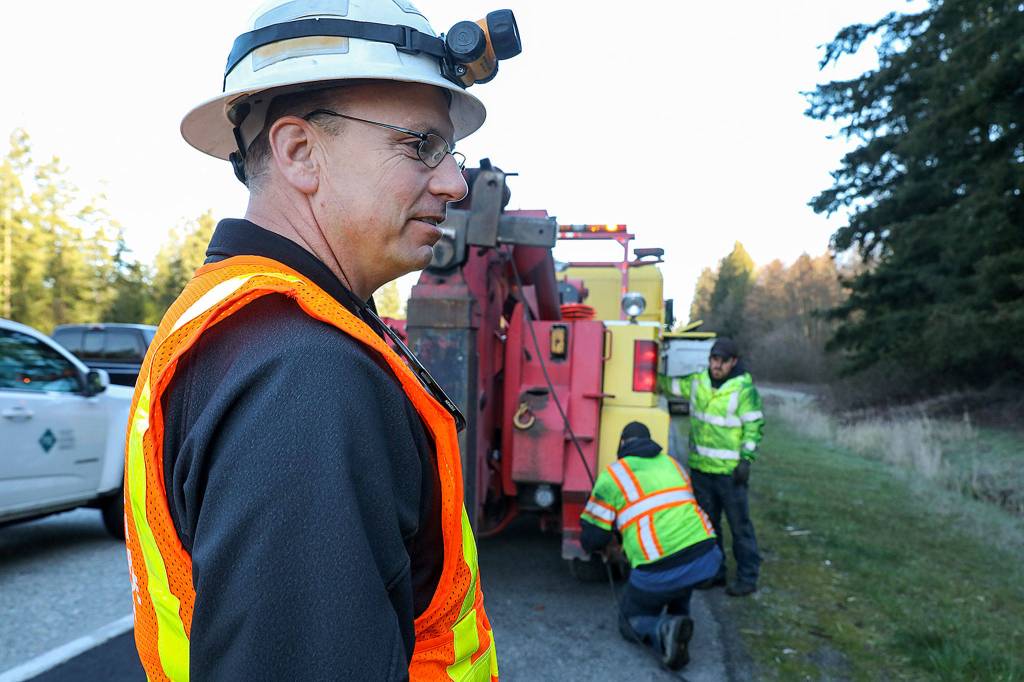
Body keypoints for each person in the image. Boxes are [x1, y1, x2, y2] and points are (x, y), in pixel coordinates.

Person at [122, 1, 505, 679]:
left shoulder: (265, 334)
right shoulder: (304, 377)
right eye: (420, 144)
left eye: (452, 152)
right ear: (299, 153)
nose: (453, 183)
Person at [579, 422, 723, 670]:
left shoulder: (613, 475)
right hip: (707, 557)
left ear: (622, 445)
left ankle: (663, 629)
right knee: (681, 576)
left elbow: (593, 539)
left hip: (660, 569)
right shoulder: (673, 464)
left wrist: (607, 546)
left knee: (629, 621)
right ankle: (678, 620)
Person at [660, 337, 765, 597]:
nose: (717, 366)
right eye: (714, 359)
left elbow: (753, 428)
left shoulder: (744, 391)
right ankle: (715, 573)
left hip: (730, 474)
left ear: (733, 362)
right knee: (709, 526)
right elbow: (669, 385)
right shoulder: (698, 382)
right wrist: (643, 367)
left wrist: (746, 461)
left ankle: (747, 577)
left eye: (722, 361)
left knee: (740, 527)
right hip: (702, 470)